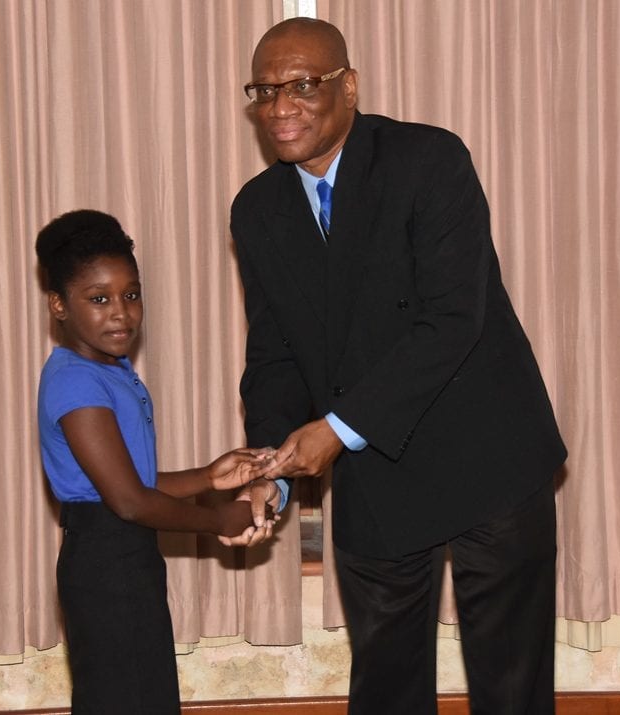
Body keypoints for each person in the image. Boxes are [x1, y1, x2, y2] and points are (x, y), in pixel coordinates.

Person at [229, 18, 568, 715]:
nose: (280, 106)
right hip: (377, 474)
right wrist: (270, 467)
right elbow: (275, 350)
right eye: (265, 91)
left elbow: (450, 320)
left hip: (488, 453)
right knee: (384, 684)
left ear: (348, 87)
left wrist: (335, 427)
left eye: (302, 85)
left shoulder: (428, 161)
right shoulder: (257, 209)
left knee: (509, 685)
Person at [35, 209, 273, 713]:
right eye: (98, 299)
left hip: (125, 556)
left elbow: (129, 482)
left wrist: (208, 476)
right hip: (106, 564)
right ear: (58, 304)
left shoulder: (109, 370)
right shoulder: (77, 380)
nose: (120, 312)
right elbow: (127, 501)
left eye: (131, 294)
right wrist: (217, 519)